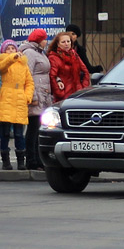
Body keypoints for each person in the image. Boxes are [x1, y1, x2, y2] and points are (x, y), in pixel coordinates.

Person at [18, 29, 52, 171]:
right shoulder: (30, 53)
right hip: (36, 97)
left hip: (43, 96)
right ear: (38, 40)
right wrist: (33, 97)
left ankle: (38, 160)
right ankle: (31, 160)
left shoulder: (39, 52)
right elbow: (27, 75)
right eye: (44, 38)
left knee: (39, 130)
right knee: (33, 130)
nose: (46, 41)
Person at [0, 39, 34, 170]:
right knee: (5, 133)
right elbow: (2, 68)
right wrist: (11, 58)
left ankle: (21, 161)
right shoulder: (4, 61)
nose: (11, 51)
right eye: (8, 49)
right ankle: (6, 161)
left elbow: (30, 82)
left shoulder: (23, 64)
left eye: (13, 48)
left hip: (19, 99)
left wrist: (27, 96)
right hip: (6, 99)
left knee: (19, 133)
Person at [48, 30, 90, 103]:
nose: (66, 44)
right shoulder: (53, 57)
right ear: (58, 44)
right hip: (64, 94)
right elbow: (52, 76)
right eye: (63, 42)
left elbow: (85, 71)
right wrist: (60, 93)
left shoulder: (74, 54)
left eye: (68, 41)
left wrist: (83, 88)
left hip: (77, 93)